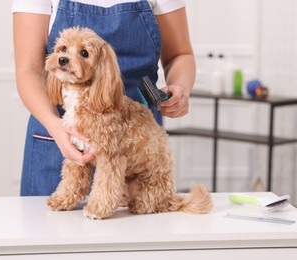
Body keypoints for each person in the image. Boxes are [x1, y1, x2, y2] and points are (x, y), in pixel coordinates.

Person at [12, 0, 196, 196]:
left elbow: (180, 54)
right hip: (58, 136)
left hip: (135, 141)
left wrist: (180, 87)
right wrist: (55, 126)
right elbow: (28, 70)